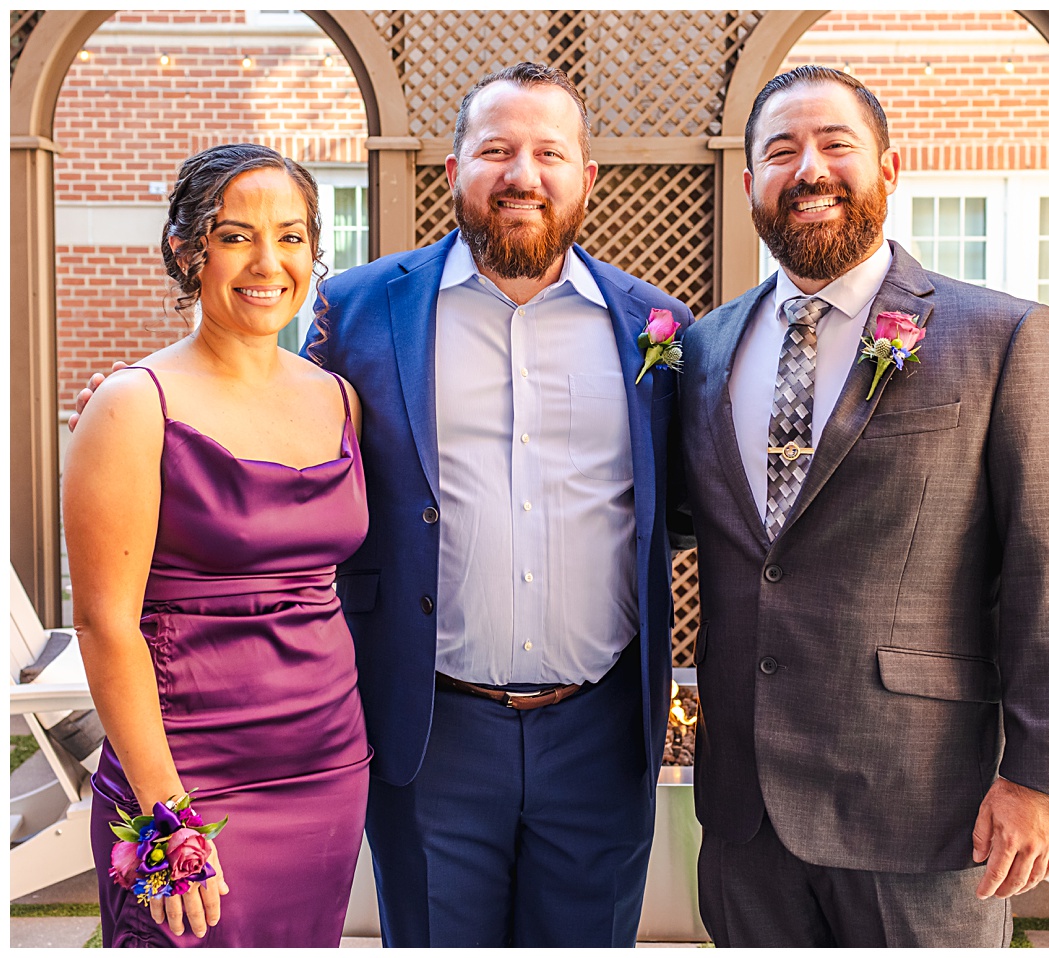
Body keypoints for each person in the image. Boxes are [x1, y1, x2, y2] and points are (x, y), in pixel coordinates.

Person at [73, 63, 690, 947]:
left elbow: (701, 497)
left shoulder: (656, 329)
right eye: (496, 150)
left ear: (586, 176)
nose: (523, 173)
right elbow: (242, 406)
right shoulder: (361, 311)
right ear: (454, 171)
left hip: (598, 733)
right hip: (431, 730)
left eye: (550, 151)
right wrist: (128, 407)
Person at [678, 66, 1049, 947]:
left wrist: (1041, 777)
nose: (811, 169)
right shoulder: (706, 347)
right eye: (782, 151)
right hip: (744, 814)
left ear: (890, 167)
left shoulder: (1000, 336)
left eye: (836, 145)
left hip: (922, 807)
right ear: (751, 181)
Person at [65, 144, 370, 946]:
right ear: (185, 250)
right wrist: (166, 818)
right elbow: (105, 626)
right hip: (188, 773)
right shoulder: (135, 405)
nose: (268, 262)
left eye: (293, 237)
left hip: (331, 765)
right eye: (236, 236)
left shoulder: (339, 398)